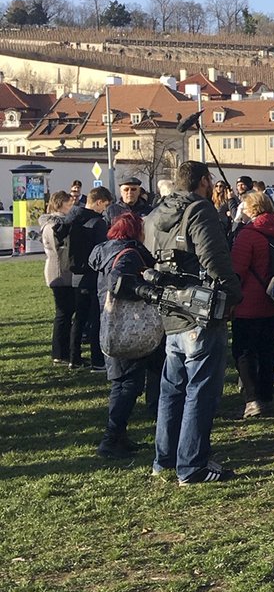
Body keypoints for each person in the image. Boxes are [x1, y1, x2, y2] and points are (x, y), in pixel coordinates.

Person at [145, 161, 243, 484]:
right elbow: (214, 258)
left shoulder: (158, 212)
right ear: (203, 181)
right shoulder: (200, 211)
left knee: (171, 388)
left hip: (170, 308)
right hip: (199, 310)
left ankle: (165, 459)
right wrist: (232, 292)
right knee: (200, 389)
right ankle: (192, 464)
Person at [88, 212, 158, 458]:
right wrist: (147, 291)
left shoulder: (106, 251)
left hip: (109, 323)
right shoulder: (129, 254)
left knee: (123, 381)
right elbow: (119, 283)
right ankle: (110, 439)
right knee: (127, 384)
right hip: (128, 326)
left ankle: (120, 436)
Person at [230, 190, 274, 418]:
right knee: (267, 351)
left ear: (251, 209)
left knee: (243, 351)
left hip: (249, 304)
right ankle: (266, 395)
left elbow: (238, 270)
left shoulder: (249, 235)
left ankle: (252, 399)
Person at [64, 186, 113, 370]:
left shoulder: (74, 218)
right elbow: (101, 250)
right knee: (95, 319)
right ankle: (97, 360)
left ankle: (73, 358)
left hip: (76, 274)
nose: (105, 210)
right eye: (105, 205)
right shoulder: (97, 222)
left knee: (79, 318)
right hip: (93, 275)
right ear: (98, 202)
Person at [39, 190, 75, 365]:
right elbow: (60, 249)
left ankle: (63, 350)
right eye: (69, 204)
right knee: (63, 313)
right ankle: (60, 352)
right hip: (60, 272)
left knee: (66, 313)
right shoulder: (54, 224)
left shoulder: (55, 223)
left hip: (61, 271)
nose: (72, 207)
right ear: (60, 204)